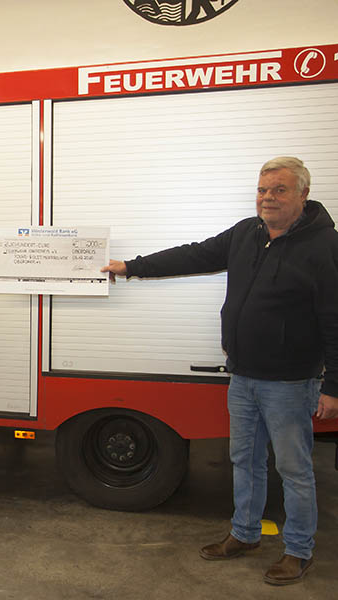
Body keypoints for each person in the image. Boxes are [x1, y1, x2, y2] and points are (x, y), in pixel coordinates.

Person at [101, 157, 338, 586]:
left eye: (280, 190)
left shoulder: (325, 247)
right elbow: (195, 254)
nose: (267, 197)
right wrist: (132, 266)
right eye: (263, 189)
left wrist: (334, 385)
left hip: (290, 382)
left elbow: (335, 320)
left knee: (294, 469)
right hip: (243, 375)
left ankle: (298, 550)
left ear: (303, 195)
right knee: (243, 460)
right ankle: (244, 534)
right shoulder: (247, 233)